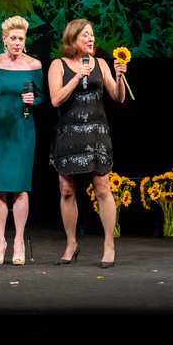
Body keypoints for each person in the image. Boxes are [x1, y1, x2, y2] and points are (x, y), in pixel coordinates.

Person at [47, 19, 126, 268]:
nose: (91, 39)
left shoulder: (101, 64)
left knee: (102, 188)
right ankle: (71, 243)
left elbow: (118, 97)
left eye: (92, 35)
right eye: (85, 36)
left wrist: (119, 77)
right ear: (73, 39)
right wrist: (76, 77)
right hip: (69, 135)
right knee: (67, 190)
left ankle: (108, 245)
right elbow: (55, 99)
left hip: (96, 134)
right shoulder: (57, 65)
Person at [0, 16, 44, 266]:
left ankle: (18, 240)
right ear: (4, 40)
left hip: (22, 131)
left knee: (20, 187)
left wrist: (34, 100)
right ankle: (0, 241)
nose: (18, 42)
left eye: (21, 38)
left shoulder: (34, 64)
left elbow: (42, 97)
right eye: (13, 38)